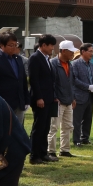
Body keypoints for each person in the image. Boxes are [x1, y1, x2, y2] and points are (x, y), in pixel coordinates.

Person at [0, 33, 29, 124]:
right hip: (3, 102)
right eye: (11, 45)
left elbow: (23, 80)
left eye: (15, 45)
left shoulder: (19, 59)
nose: (14, 47)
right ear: (1, 46)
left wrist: (26, 100)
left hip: (19, 103)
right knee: (5, 129)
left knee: (18, 129)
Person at [28, 34, 57, 164]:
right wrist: (39, 97)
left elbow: (49, 80)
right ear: (44, 45)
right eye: (51, 45)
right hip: (40, 99)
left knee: (46, 127)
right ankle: (34, 155)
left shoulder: (46, 58)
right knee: (39, 127)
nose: (52, 48)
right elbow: (34, 80)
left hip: (48, 98)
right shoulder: (35, 58)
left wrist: (53, 96)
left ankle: (43, 153)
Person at [48, 41, 77, 158]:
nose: (73, 54)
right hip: (57, 101)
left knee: (68, 126)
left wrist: (73, 97)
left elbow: (72, 83)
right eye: (71, 51)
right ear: (63, 51)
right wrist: (55, 97)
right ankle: (51, 151)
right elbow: (51, 83)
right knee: (53, 127)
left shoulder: (70, 64)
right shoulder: (53, 63)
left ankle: (64, 150)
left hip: (68, 100)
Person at [71, 43, 93, 146]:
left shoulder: (91, 64)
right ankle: (76, 140)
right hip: (79, 96)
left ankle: (85, 138)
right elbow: (74, 79)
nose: (92, 53)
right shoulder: (75, 64)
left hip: (89, 96)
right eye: (90, 51)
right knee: (77, 120)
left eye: (92, 51)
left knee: (88, 119)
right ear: (83, 51)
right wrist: (88, 86)